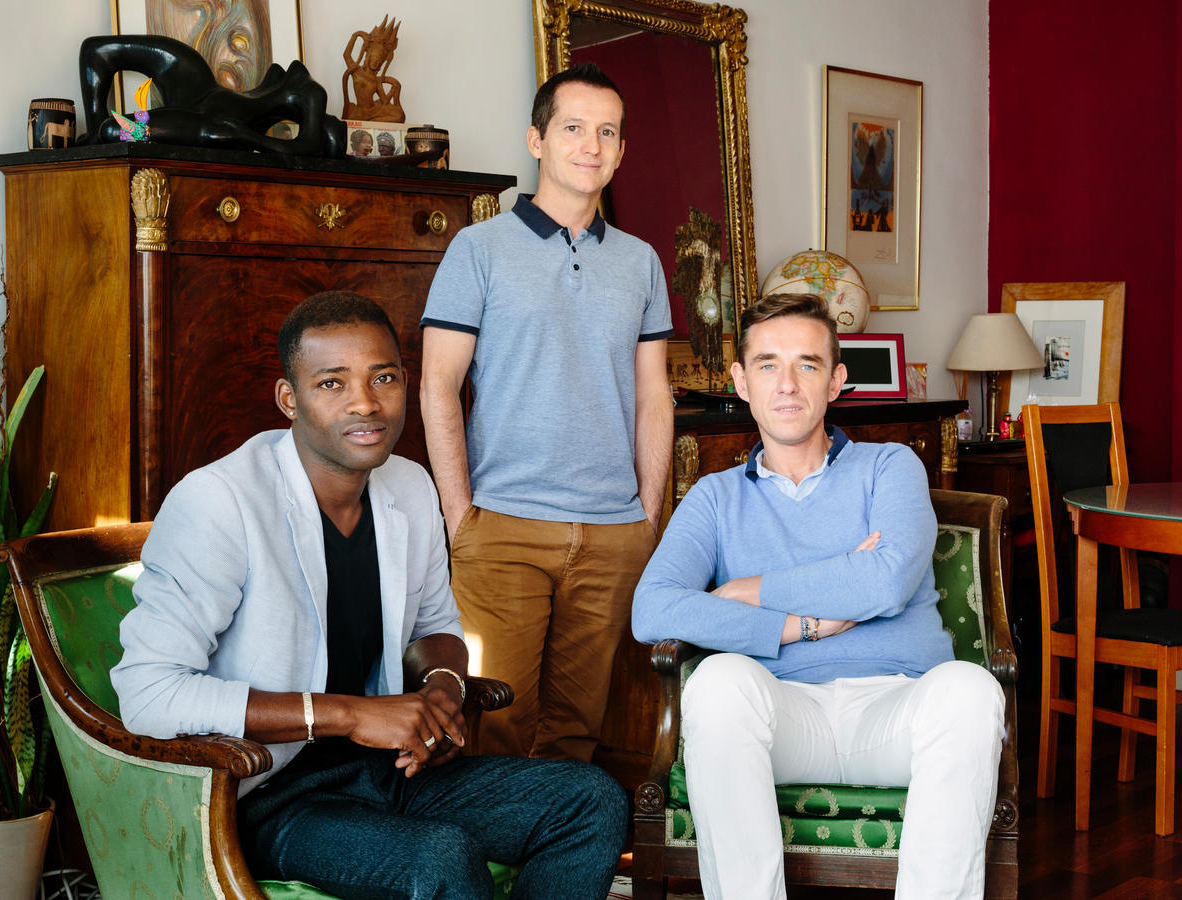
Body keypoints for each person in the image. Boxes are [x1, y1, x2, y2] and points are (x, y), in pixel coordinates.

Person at [111, 291, 626, 899]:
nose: (365, 403)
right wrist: (352, 715)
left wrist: (442, 692)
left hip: (388, 770)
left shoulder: (408, 486)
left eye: (383, 377)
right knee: (440, 858)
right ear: (289, 399)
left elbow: (435, 626)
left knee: (590, 800)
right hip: (264, 795)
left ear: (405, 382)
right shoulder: (220, 502)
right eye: (332, 383)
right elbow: (148, 694)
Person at [632, 293, 1005, 899]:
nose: (787, 385)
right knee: (718, 686)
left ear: (835, 381)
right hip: (782, 718)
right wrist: (800, 626)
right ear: (741, 382)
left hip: (898, 711)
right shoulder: (713, 498)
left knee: (972, 690)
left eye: (807, 365)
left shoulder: (891, 468)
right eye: (767, 365)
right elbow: (653, 609)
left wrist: (750, 591)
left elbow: (885, 580)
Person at [420, 63, 674, 761]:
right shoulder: (478, 250)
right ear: (537, 140)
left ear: (621, 151)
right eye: (573, 128)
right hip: (502, 528)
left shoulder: (641, 262)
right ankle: (482, 873)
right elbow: (438, 384)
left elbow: (655, 393)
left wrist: (647, 515)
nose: (590, 145)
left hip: (613, 533)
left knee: (576, 738)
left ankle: (557, 871)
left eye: (607, 133)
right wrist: (459, 517)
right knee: (490, 733)